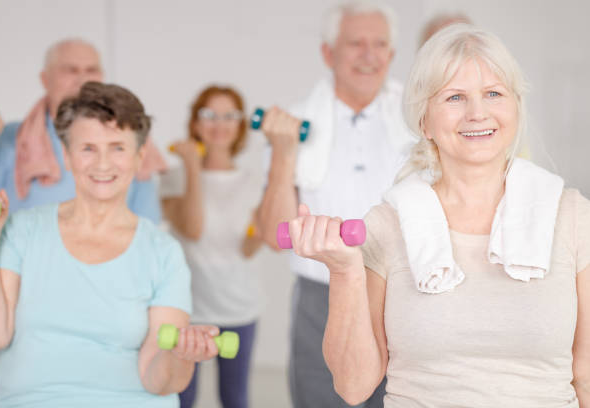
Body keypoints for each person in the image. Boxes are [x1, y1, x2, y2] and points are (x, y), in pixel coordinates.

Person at [286, 24, 590, 407]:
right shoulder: (387, 225)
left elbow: (586, 374)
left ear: (515, 106)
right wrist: (345, 272)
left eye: (493, 93)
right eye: (455, 97)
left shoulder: (573, 216)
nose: (477, 113)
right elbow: (353, 385)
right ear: (424, 121)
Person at [0, 82, 220, 408]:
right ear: (66, 155)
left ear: (139, 156)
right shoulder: (22, 230)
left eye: (118, 147)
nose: (103, 163)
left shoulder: (163, 252)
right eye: (88, 148)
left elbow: (160, 380)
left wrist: (181, 355)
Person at [256, 1, 416, 406]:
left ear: (392, 55)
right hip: (321, 298)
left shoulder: (419, 120)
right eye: (355, 43)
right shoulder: (292, 121)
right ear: (329, 53)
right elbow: (275, 236)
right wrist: (283, 153)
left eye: (379, 44)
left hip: (403, 295)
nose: (368, 55)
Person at [0, 38, 164, 221]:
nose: (82, 79)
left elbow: (147, 224)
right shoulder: (9, 138)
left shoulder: (130, 137)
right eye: (70, 70)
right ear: (45, 79)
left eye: (91, 70)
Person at [160, 85, 264, 408]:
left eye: (229, 115)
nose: (219, 123)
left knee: (234, 398)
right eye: (209, 115)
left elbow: (249, 249)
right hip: (186, 309)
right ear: (195, 123)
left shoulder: (255, 181)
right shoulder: (173, 177)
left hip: (238, 308)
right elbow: (193, 229)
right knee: (182, 397)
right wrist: (193, 167)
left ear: (240, 125)